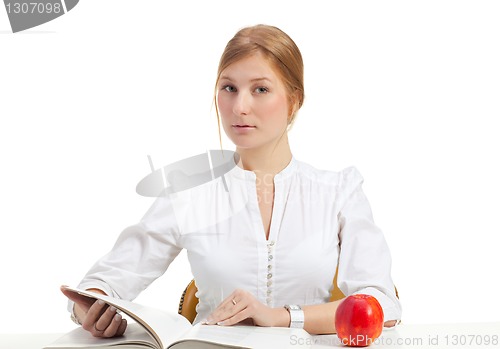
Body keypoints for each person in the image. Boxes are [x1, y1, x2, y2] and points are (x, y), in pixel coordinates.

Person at [63, 24, 402, 338]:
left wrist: (281, 316)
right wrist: (89, 307)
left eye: (260, 89)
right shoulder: (189, 194)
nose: (240, 107)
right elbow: (102, 283)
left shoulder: (338, 192)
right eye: (229, 88)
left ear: (294, 100)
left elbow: (382, 306)